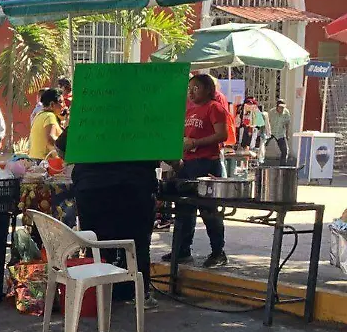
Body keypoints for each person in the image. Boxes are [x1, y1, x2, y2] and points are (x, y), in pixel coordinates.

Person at [57, 124, 158, 306]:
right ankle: (140, 294)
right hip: (136, 186)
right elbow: (168, 153)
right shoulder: (146, 107)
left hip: (92, 187)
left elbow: (61, 148)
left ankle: (98, 294)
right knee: (138, 244)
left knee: (96, 243)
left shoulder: (95, 110)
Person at [164, 74, 229, 268]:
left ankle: (218, 252)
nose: (191, 92)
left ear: (208, 90)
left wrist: (196, 142)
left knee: (208, 210)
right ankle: (182, 250)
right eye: (189, 89)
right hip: (188, 164)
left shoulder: (215, 108)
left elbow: (222, 134)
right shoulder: (188, 110)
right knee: (184, 208)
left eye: (196, 88)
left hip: (207, 163)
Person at [29, 88, 65, 160]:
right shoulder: (49, 116)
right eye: (61, 102)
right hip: (45, 162)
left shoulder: (40, 115)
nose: (63, 105)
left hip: (35, 160)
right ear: (52, 104)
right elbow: (50, 139)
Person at [268, 98, 293, 162]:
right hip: (271, 132)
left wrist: (287, 134)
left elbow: (287, 123)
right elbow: (267, 122)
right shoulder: (271, 112)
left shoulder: (286, 112)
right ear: (277, 107)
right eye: (280, 107)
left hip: (280, 133)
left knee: (285, 150)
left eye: (283, 107)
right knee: (262, 146)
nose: (282, 109)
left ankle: (283, 166)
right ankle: (258, 162)